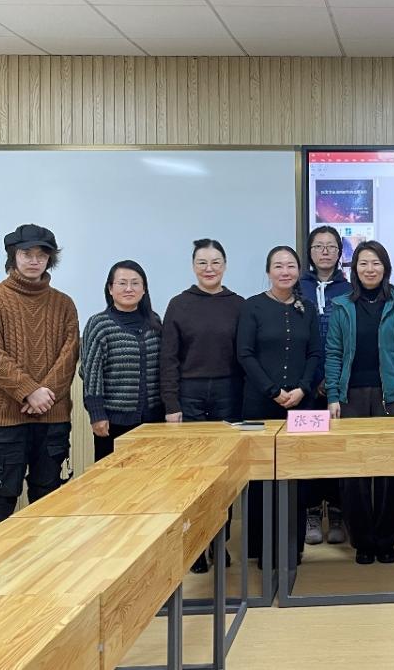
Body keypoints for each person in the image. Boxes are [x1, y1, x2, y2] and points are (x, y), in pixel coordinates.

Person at [0, 224, 79, 528]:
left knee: (49, 496)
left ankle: (46, 558)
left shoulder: (64, 303)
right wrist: (29, 391)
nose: (34, 260)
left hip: (52, 417)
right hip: (5, 418)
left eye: (41, 255)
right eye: (26, 254)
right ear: (13, 256)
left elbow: (70, 353)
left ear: (50, 259)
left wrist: (44, 394)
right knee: (1, 495)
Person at [325, 241, 394, 565]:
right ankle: (363, 541)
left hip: (389, 397)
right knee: (354, 474)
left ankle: (386, 539)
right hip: (351, 397)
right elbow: (334, 353)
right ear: (354, 269)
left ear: (385, 268)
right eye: (363, 263)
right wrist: (333, 396)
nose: (369, 269)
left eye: (376, 263)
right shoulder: (341, 306)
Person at [160, 238, 245, 572]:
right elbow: (168, 359)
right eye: (202, 263)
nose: (209, 269)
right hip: (190, 394)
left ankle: (219, 543)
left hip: (229, 392)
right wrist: (171, 404)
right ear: (193, 266)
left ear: (225, 265)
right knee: (193, 474)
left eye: (215, 262)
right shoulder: (179, 304)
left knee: (224, 473)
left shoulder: (238, 304)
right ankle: (195, 547)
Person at [238, 245, 321, 566]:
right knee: (260, 477)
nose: (285, 271)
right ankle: (261, 549)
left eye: (290, 266)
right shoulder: (252, 307)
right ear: (268, 271)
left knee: (295, 476)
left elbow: (315, 353)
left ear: (299, 271)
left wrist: (302, 388)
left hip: (301, 406)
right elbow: (245, 354)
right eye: (278, 266)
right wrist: (273, 391)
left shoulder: (307, 308)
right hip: (260, 404)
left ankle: (291, 547)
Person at [297, 225, 350, 546]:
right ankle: (312, 512)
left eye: (331, 246)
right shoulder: (296, 286)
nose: (325, 251)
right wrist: (310, 382)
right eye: (319, 246)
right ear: (310, 252)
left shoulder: (350, 288)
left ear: (340, 253)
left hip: (339, 386)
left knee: (339, 449)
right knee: (308, 450)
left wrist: (332, 381)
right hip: (303, 388)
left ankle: (339, 512)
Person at [80, 260, 163, 461]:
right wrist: (97, 414)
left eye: (135, 283)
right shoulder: (99, 324)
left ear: (144, 289)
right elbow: (91, 373)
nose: (129, 289)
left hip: (153, 421)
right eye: (122, 283)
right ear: (110, 288)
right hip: (113, 422)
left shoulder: (155, 322)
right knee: (112, 476)